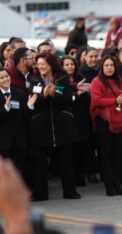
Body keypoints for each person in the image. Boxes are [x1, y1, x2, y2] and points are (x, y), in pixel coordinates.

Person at [28, 53, 80, 201]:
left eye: (43, 63)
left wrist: (55, 93)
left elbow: (68, 98)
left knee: (66, 160)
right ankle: (40, 194)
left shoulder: (62, 78)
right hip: (42, 126)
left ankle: (70, 192)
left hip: (62, 125)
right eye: (38, 64)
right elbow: (33, 103)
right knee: (41, 162)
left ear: (51, 64)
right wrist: (44, 95)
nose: (41, 66)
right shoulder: (35, 81)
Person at [90, 55, 122, 196]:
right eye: (106, 65)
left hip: (120, 121)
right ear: (102, 67)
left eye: (112, 65)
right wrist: (115, 100)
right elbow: (96, 100)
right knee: (106, 154)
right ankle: (109, 185)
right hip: (104, 122)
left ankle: (117, 183)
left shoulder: (120, 81)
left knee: (117, 154)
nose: (109, 68)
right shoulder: (97, 81)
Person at [61, 56, 98, 185]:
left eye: (71, 64)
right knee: (71, 151)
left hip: (82, 117)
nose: (70, 66)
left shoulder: (80, 79)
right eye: (66, 64)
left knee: (83, 148)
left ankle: (82, 175)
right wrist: (77, 92)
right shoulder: (59, 82)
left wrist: (87, 92)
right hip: (68, 118)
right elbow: (64, 99)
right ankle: (73, 178)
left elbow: (88, 98)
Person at [0, 67, 33, 174]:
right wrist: (5, 108)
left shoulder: (19, 93)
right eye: (1, 78)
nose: (5, 79)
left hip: (19, 140)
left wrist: (30, 107)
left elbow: (24, 115)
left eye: (6, 76)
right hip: (2, 142)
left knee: (18, 171)